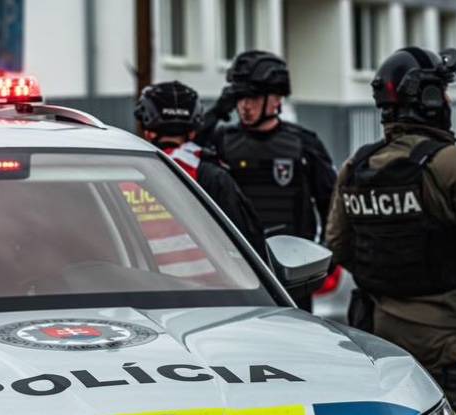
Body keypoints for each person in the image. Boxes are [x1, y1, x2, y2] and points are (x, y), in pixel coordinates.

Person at [325, 46, 456, 415]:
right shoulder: (453, 164)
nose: (449, 101)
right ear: (431, 100)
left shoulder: (356, 167)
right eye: (444, 92)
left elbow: (337, 245)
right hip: (447, 335)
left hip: (379, 332)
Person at [199, 50, 336, 308]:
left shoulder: (302, 143)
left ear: (276, 100)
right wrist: (217, 111)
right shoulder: (221, 140)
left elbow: (332, 205)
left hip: (292, 273)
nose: (244, 106)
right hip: (236, 271)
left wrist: (327, 258)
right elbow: (181, 154)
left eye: (252, 97)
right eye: (239, 98)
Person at [134, 81, 266, 258]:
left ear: (147, 131)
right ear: (193, 132)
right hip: (209, 283)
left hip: (134, 282)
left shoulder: (123, 173)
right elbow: (251, 247)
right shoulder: (214, 177)